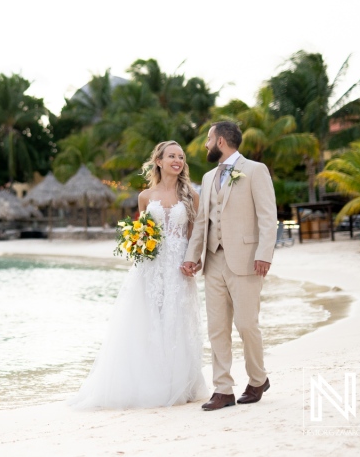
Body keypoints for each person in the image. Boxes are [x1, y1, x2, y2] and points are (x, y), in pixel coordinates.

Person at [69, 141, 209, 409]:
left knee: (177, 319)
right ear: (159, 161)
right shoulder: (145, 196)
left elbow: (195, 232)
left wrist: (195, 258)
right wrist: (136, 244)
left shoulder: (191, 194)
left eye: (181, 156)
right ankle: (151, 382)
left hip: (180, 266)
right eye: (171, 156)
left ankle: (180, 383)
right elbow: (143, 232)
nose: (177, 160)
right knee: (149, 320)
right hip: (150, 268)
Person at [181, 121, 277, 411]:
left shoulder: (255, 170)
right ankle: (223, 390)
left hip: (247, 260)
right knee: (217, 329)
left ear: (221, 141)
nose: (207, 145)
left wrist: (265, 253)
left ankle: (258, 379)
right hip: (214, 261)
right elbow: (202, 221)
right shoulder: (209, 177)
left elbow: (267, 216)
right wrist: (192, 255)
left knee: (247, 324)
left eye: (209, 139)